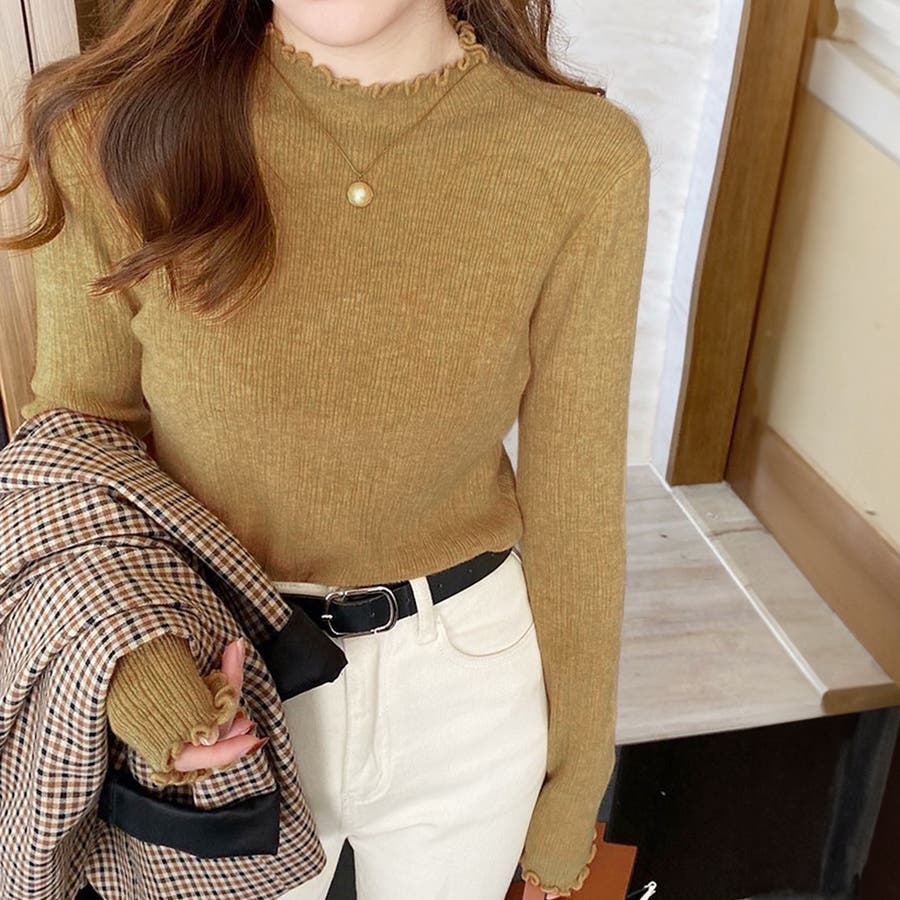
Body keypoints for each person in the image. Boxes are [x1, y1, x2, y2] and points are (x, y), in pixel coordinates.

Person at [2, 0, 651, 897]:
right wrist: (137, 663)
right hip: (216, 677)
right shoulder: (112, 130)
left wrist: (576, 780)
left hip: (468, 692)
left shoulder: (584, 159)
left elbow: (576, 501)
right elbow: (74, 447)